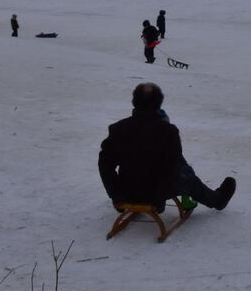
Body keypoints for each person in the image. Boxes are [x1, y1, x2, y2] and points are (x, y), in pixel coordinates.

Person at [98, 82, 236, 213]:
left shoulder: (118, 129)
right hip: (154, 192)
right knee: (190, 180)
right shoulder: (168, 131)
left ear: (135, 101)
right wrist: (159, 198)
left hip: (127, 190)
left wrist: (116, 195)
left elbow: (105, 165)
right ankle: (218, 200)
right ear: (159, 103)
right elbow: (172, 168)